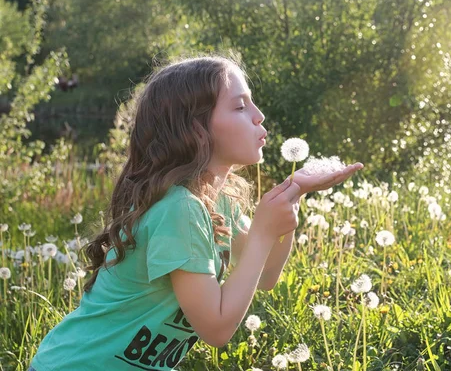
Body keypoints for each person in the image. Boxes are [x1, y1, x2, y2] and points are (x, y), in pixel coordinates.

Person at [29, 53, 363, 371]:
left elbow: (265, 274)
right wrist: (263, 231)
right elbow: (216, 330)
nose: (259, 115)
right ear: (196, 128)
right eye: (240, 106)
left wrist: (293, 193)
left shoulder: (215, 201)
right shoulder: (179, 209)